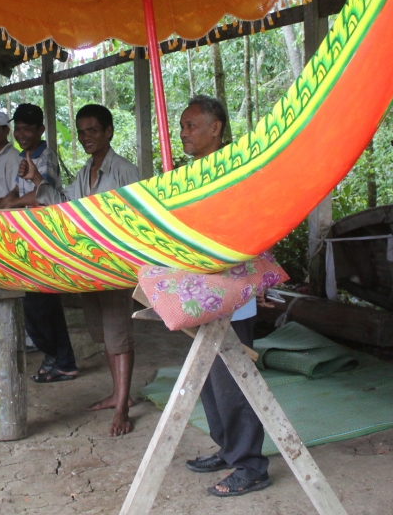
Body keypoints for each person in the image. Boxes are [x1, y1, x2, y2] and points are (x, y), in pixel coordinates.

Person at [21, 104, 141, 436]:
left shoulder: (124, 171)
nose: (86, 136)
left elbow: (140, 216)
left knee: (119, 335)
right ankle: (119, 394)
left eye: (92, 130)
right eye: (81, 130)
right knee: (104, 334)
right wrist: (37, 181)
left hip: (117, 267)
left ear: (108, 132)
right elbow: (66, 205)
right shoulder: (85, 172)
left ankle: (121, 409)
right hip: (90, 268)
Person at [179, 95, 271, 497]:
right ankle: (228, 448)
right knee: (209, 381)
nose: (183, 133)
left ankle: (250, 465)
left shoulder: (233, 171)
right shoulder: (191, 173)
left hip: (230, 293)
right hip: (201, 292)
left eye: (190, 126)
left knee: (234, 382)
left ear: (215, 128)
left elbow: (253, 225)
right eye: (181, 127)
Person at [5, 103, 77, 383]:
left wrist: (6, 207)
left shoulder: (44, 159)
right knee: (42, 304)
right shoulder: (28, 156)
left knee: (39, 305)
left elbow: (39, 195)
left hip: (43, 240)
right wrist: (0, 203)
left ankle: (60, 359)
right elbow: (19, 191)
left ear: (41, 130)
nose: (21, 134)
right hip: (30, 239)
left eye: (27, 129)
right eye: (18, 128)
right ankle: (60, 360)